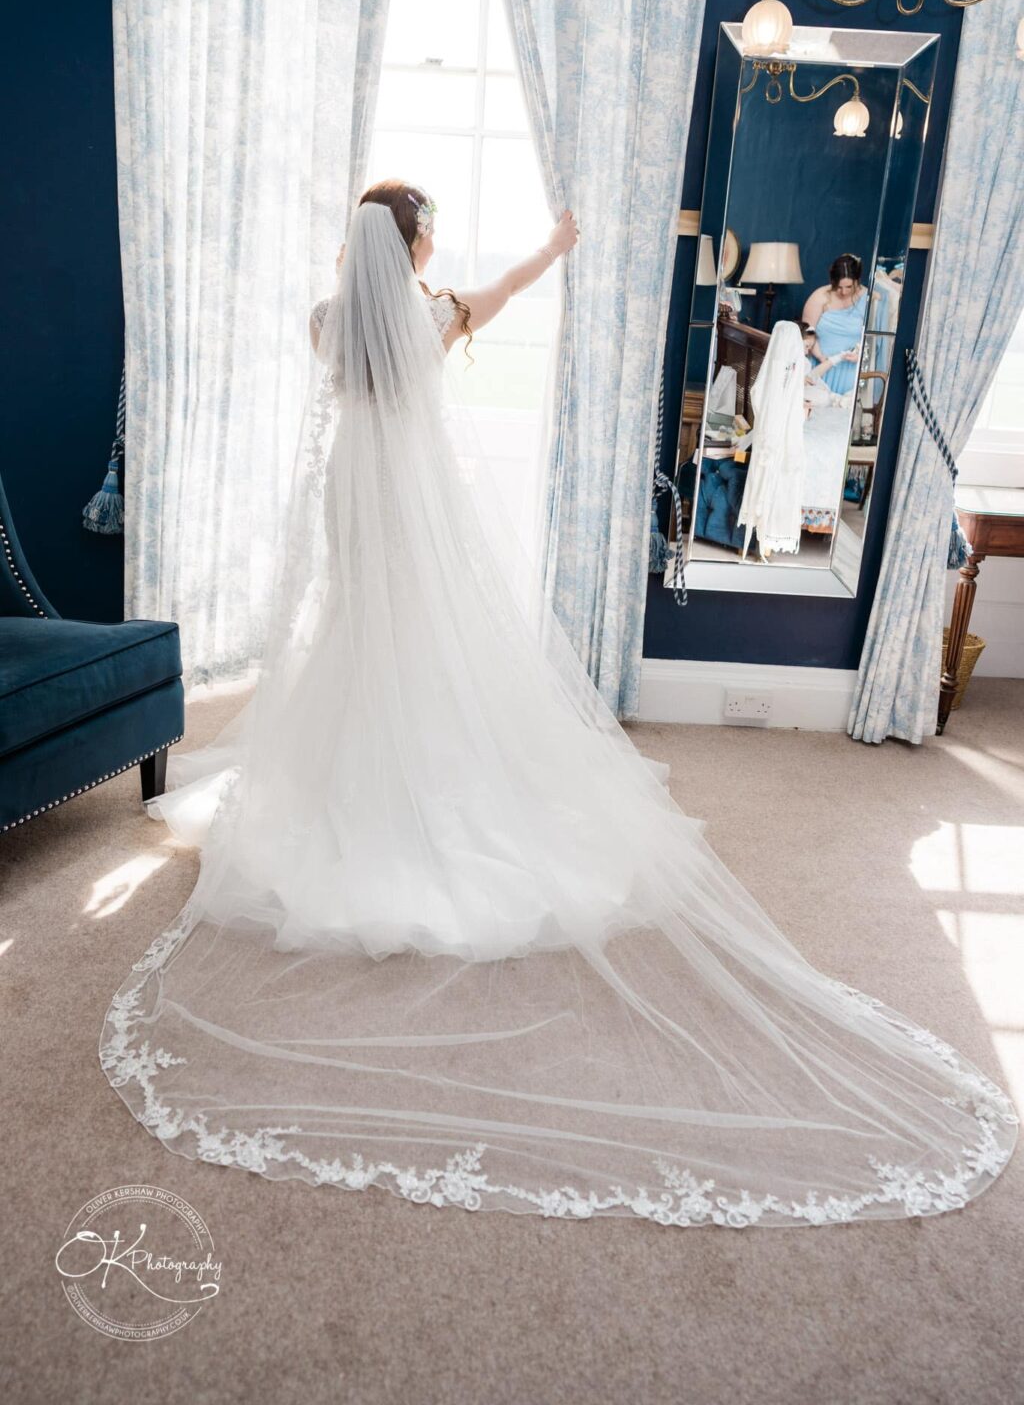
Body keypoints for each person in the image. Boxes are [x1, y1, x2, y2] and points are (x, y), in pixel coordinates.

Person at [99, 183, 1016, 1228]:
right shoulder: (433, 315)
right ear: (416, 239)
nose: (438, 238)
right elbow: (504, 288)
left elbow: (347, 337)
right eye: (430, 226)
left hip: (357, 485)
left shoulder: (330, 321)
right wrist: (555, 244)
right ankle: (429, 776)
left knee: (361, 622)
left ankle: (359, 773)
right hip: (412, 493)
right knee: (424, 631)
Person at [802, 253, 868, 397]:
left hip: (850, 370)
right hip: (821, 366)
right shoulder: (819, 297)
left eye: (849, 287)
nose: (844, 292)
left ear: (857, 280)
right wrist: (821, 357)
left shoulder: (868, 299)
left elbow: (873, 340)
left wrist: (861, 354)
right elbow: (807, 333)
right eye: (839, 287)